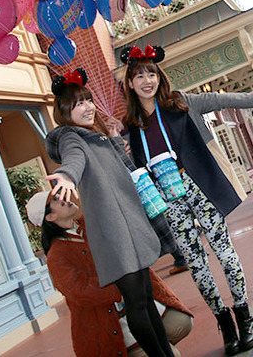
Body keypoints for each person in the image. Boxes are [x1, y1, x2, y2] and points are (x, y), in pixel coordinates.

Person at [121, 45, 253, 356]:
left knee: (224, 253)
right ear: (130, 84)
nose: (147, 80)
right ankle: (224, 323)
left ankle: (244, 316)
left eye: (151, 74)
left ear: (159, 77)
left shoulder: (180, 103)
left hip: (198, 186)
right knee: (197, 265)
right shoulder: (132, 126)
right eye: (139, 76)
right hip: (168, 198)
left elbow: (222, 99)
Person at [44, 68, 174, 357]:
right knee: (136, 303)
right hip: (115, 235)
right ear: (65, 111)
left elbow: (117, 170)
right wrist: (66, 175)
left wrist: (114, 138)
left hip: (129, 226)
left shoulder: (93, 136)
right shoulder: (70, 138)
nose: (88, 107)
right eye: (78, 104)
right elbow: (74, 159)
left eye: (88, 100)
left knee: (146, 299)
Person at [25, 192, 194, 357]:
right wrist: (124, 290)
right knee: (172, 354)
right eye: (55, 200)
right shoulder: (56, 255)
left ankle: (154, 344)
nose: (63, 198)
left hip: (137, 303)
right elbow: (80, 290)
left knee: (182, 323)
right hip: (110, 321)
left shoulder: (90, 224)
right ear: (50, 218)